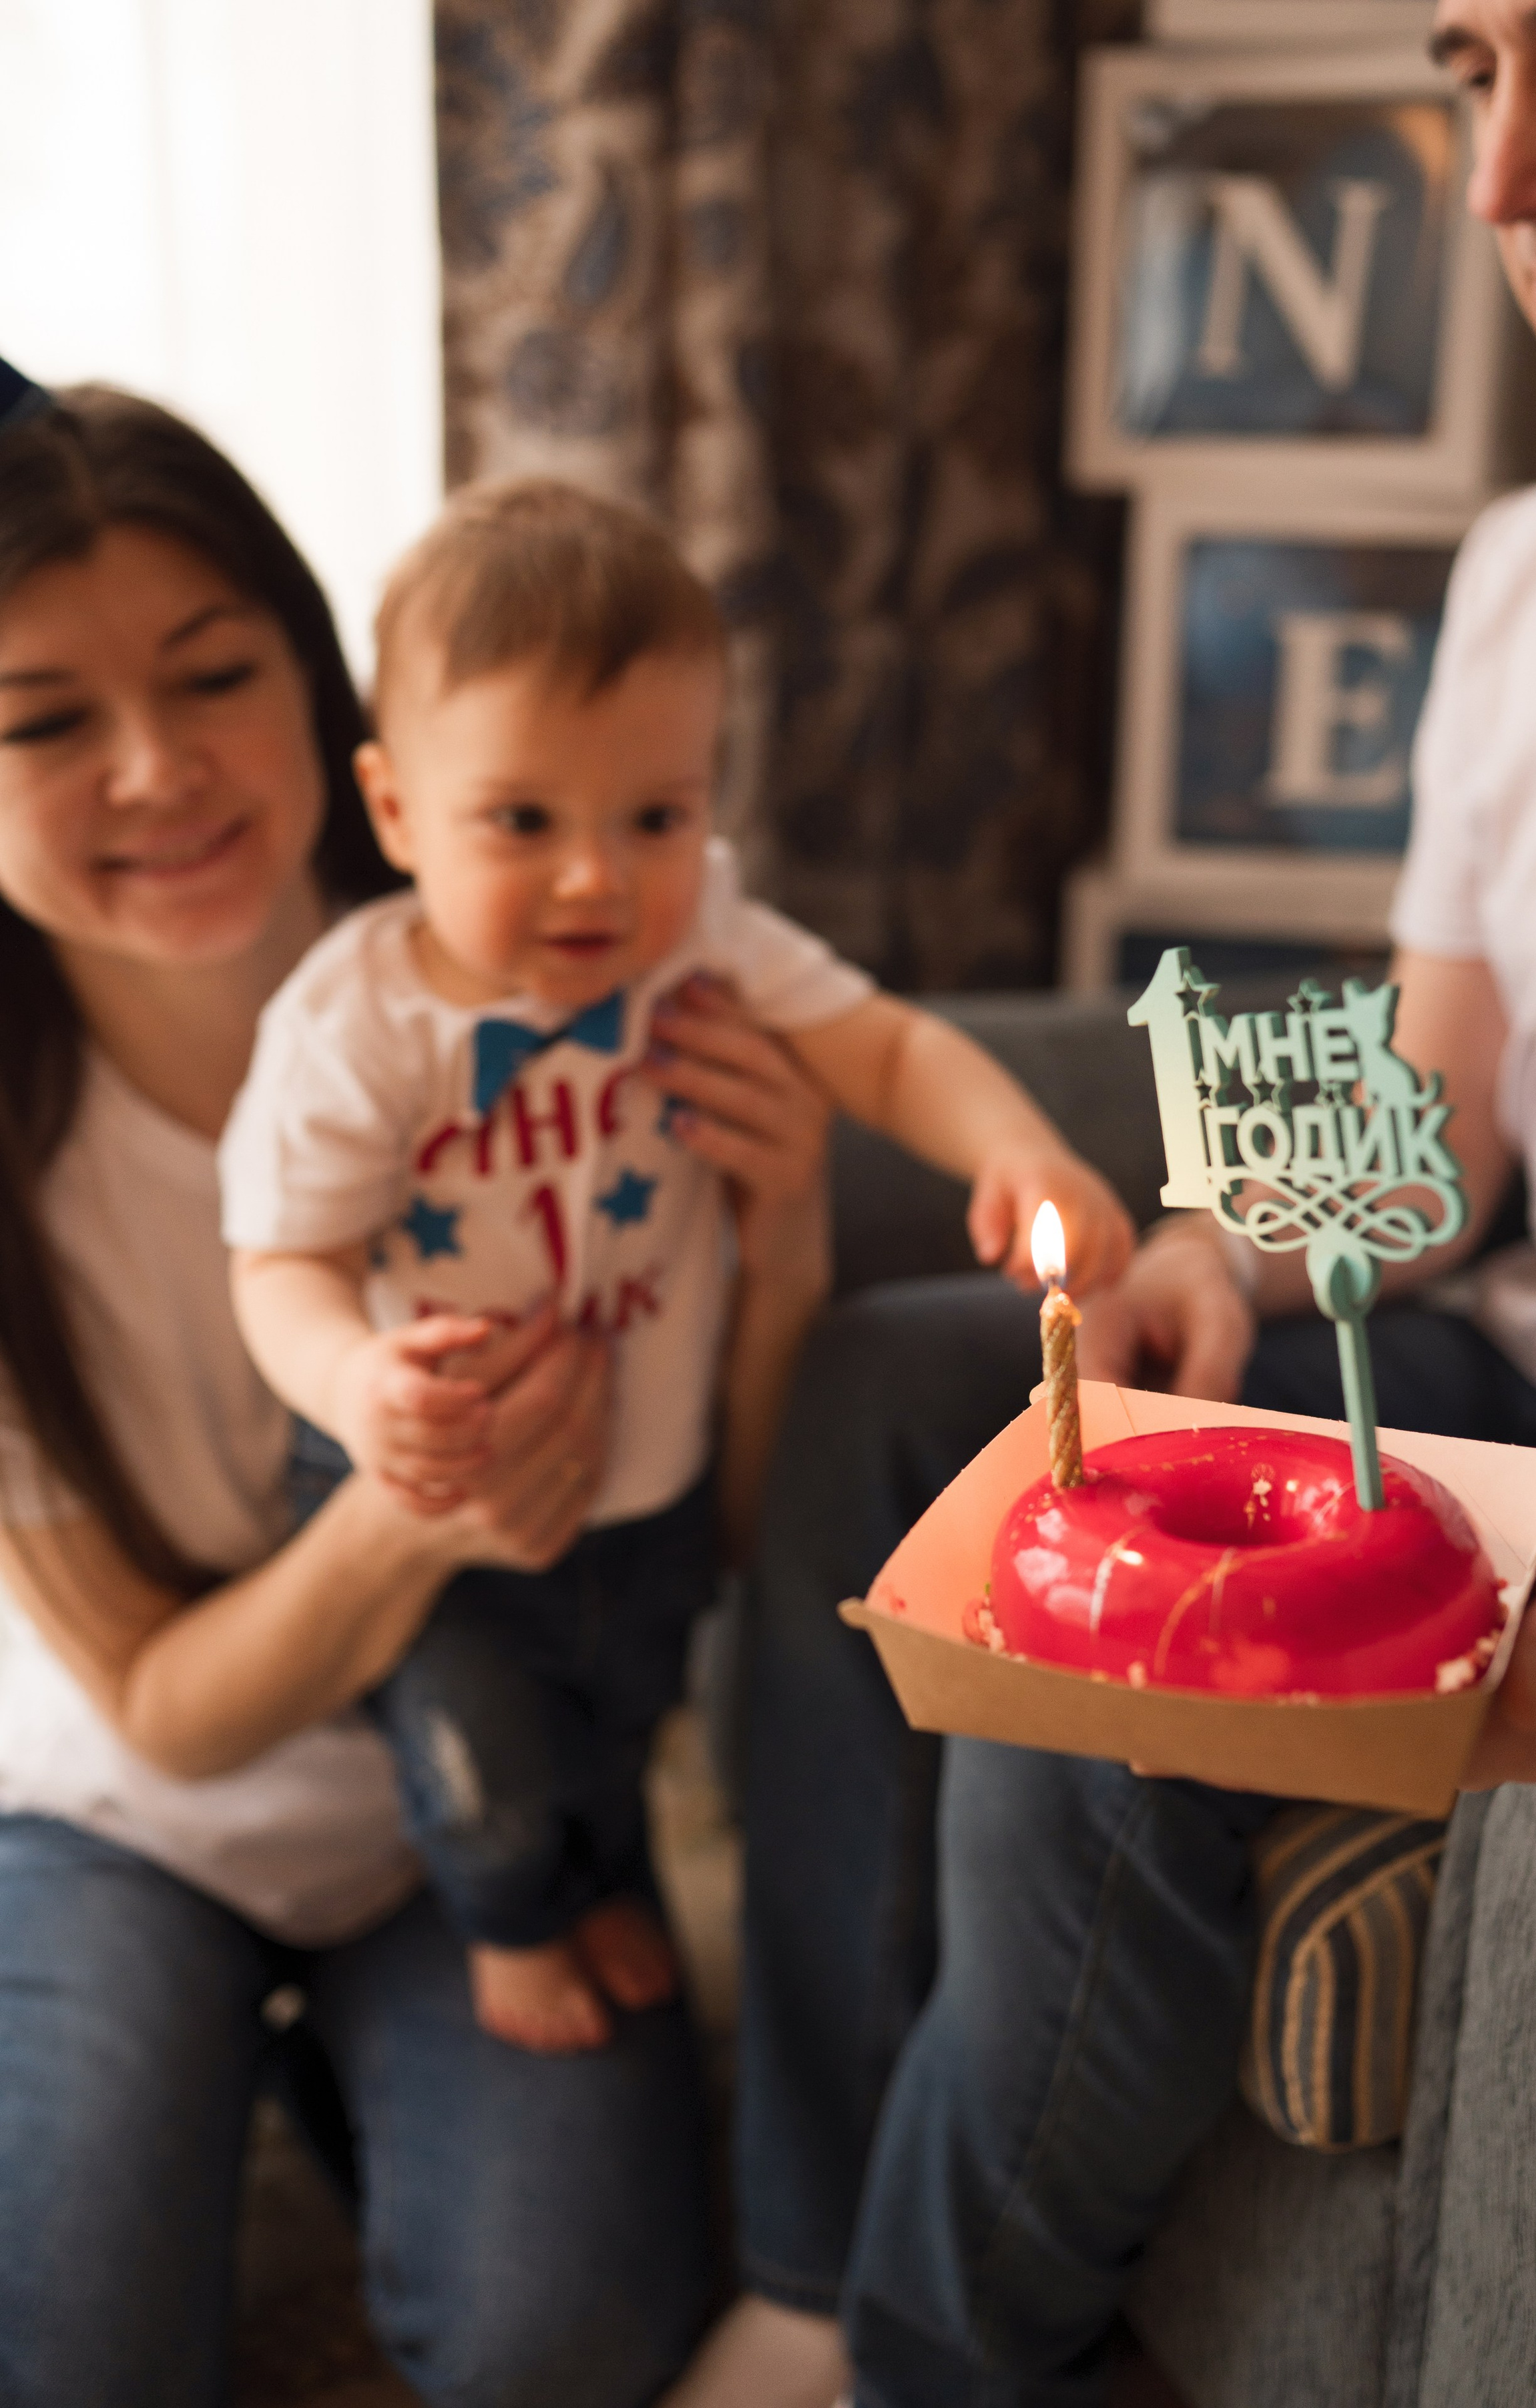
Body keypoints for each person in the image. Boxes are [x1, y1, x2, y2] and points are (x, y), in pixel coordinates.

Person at [668, 0, 1536, 2399]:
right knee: (911, 1393)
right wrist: (1231, 1254)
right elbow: (1444, 1122)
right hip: (1514, 1355)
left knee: (1098, 1654)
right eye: (1476, 68)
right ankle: (806, 2267)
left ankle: (923, 2352)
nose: (1501, 179)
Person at [0, 381, 830, 2408]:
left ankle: (374, 2061)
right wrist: (409, 1501)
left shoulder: (565, 970)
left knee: (571, 2336)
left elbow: (717, 1542)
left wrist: (788, 1231)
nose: (158, 769)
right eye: (40, 721)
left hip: (509, 1795)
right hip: (126, 1826)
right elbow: (173, 1718)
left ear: (348, 731)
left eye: (219, 676)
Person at [218, 473, 1135, 2057]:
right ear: (392, 813)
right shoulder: (355, 1027)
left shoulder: (699, 935)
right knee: (482, 1755)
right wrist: (353, 1383)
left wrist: (1019, 1150)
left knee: (621, 1709)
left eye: (656, 815)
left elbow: (894, 1049)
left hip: (646, 1480)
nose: (599, 877)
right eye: (522, 822)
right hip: (438, 1487)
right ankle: (511, 1921)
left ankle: (598, 1870)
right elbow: (277, 1262)